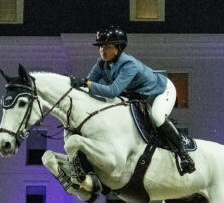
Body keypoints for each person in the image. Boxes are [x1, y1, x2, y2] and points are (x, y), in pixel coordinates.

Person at [72, 26, 195, 175]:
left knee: (157, 117)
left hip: (161, 91)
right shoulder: (101, 64)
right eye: (101, 46)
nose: (102, 50)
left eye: (108, 46)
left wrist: (87, 83)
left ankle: (184, 155)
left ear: (118, 48)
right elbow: (89, 87)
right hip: (137, 96)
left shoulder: (129, 64)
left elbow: (112, 91)